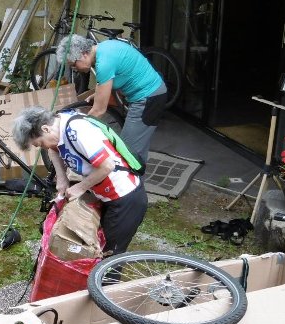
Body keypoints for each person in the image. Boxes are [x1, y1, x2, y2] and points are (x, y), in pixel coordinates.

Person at [12, 105, 148, 254]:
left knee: (109, 256)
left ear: (45, 129)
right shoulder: (58, 128)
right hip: (105, 195)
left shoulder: (78, 131)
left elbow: (107, 166)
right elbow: (52, 149)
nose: (42, 147)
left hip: (125, 197)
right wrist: (62, 178)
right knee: (95, 247)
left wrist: (80, 187)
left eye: (40, 143)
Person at [56, 32, 169, 167]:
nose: (74, 69)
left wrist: (76, 128)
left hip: (148, 98)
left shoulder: (104, 63)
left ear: (83, 55)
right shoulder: (104, 47)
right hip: (153, 93)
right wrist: (98, 95)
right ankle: (138, 179)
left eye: (73, 65)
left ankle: (133, 185)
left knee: (128, 153)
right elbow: (109, 80)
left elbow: (98, 111)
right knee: (138, 148)